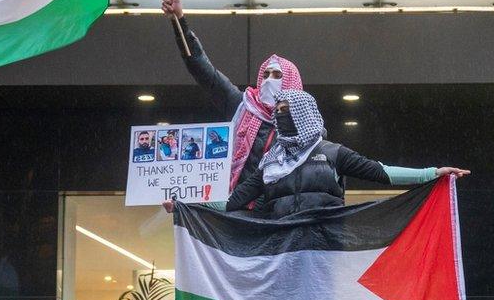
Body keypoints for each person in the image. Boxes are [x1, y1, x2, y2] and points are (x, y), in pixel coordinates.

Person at [183, 89, 470, 218]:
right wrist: (188, 206)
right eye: (277, 113)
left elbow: (379, 172)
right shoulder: (272, 162)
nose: (280, 118)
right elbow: (235, 202)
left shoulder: (333, 153)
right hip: (280, 249)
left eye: (286, 112)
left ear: (303, 114)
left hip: (325, 248)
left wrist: (430, 174)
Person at [162, 0, 303, 196]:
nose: (268, 80)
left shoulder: (304, 125)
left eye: (276, 75)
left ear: (291, 82)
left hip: (279, 214)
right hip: (238, 208)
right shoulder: (242, 105)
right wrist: (179, 20)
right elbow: (201, 68)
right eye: (265, 74)